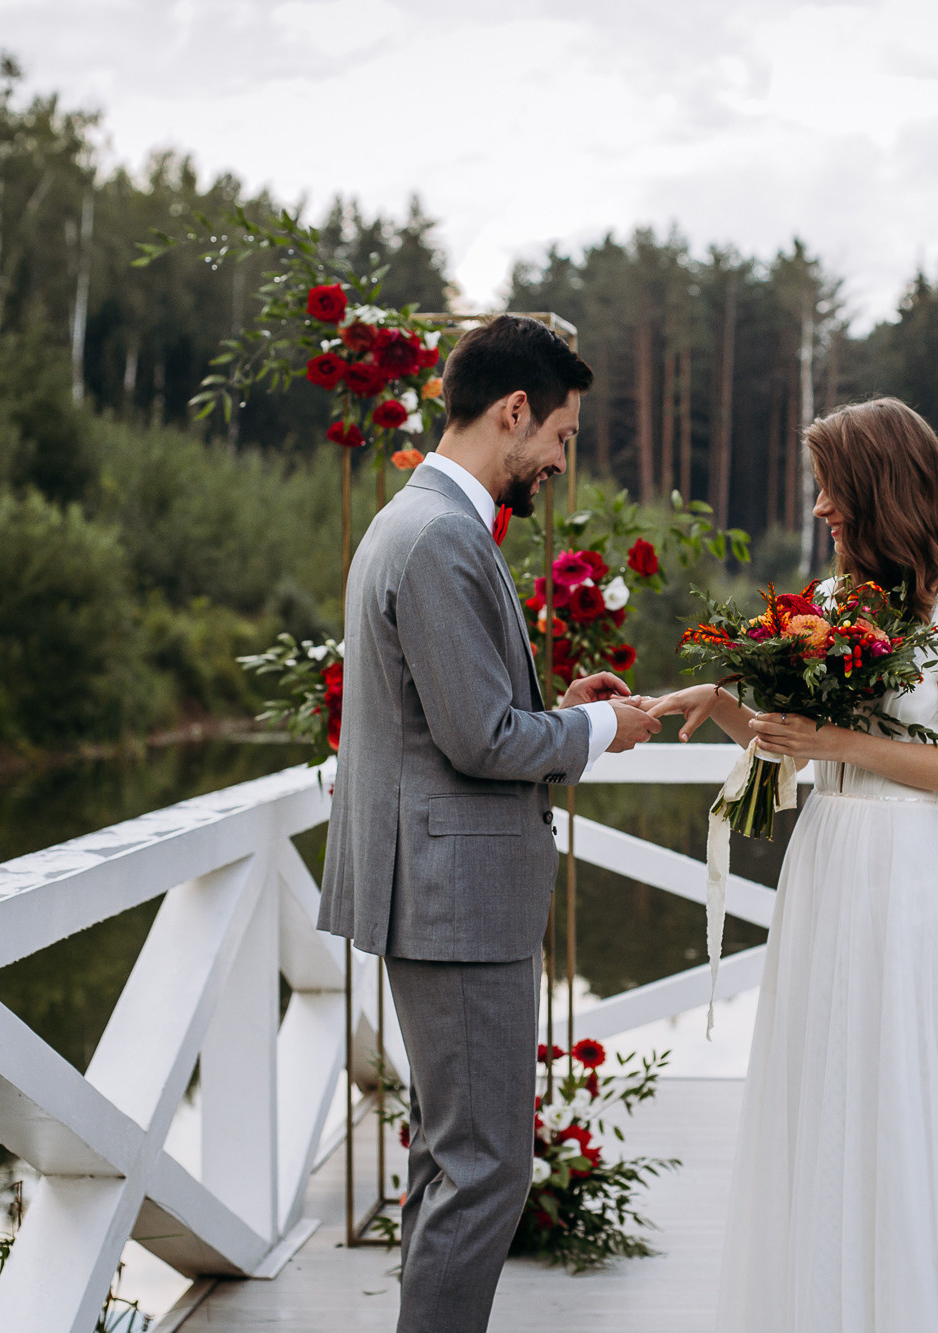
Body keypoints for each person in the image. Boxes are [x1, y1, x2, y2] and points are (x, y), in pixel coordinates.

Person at [651, 397, 938, 1332]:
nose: (822, 507)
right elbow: (789, 744)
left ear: (879, 488)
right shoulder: (830, 606)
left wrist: (835, 735)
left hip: (904, 874)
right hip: (825, 866)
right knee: (821, 1099)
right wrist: (714, 697)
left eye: (832, 487)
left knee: (899, 1110)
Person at [317, 315, 661, 1333]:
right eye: (559, 434)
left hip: (436, 893)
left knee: (450, 1159)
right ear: (514, 410)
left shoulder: (419, 520)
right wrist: (601, 726)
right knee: (485, 1170)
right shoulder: (438, 536)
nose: (559, 458)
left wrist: (559, 704)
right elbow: (474, 742)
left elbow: (452, 716)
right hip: (454, 904)